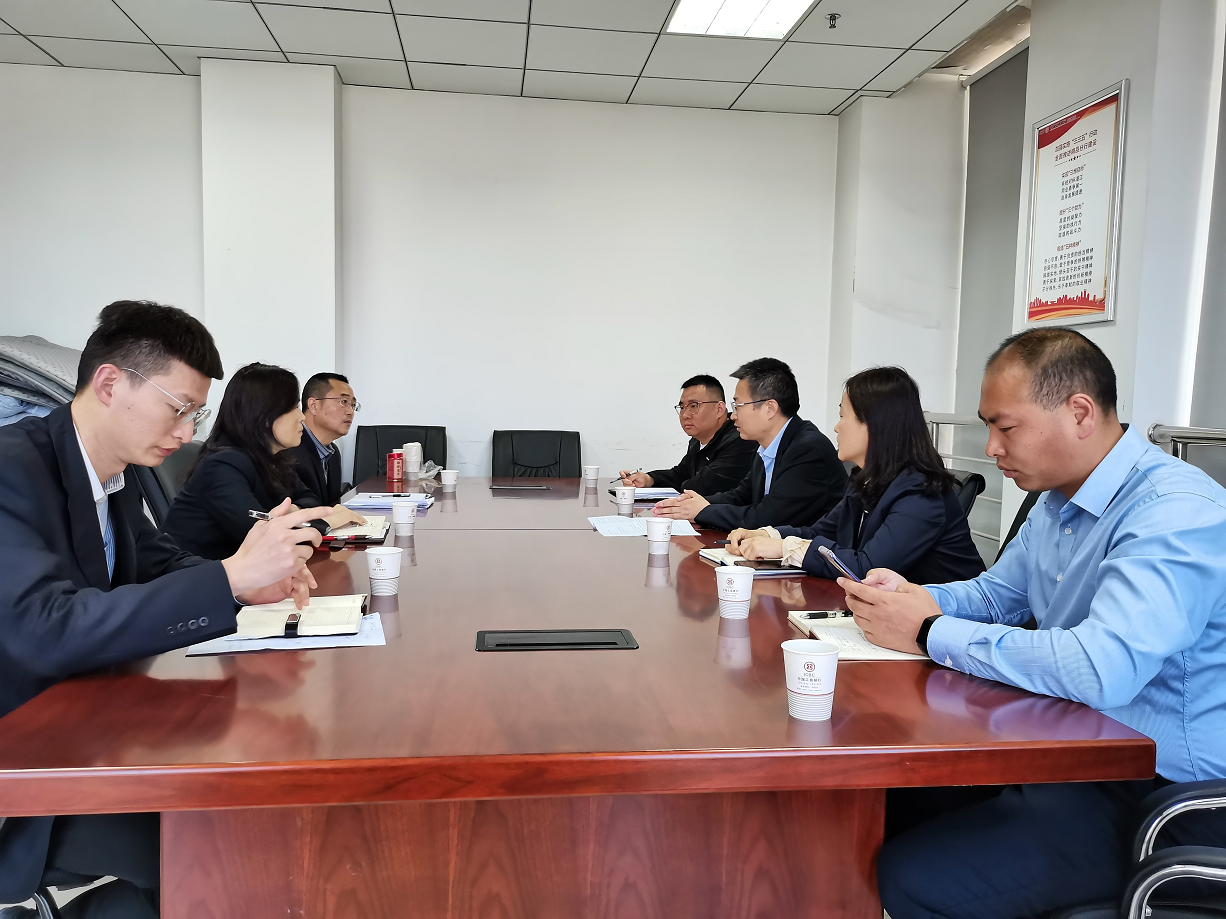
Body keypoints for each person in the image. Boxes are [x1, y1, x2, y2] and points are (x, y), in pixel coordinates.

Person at [835, 329, 1226, 918]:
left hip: (1168, 799)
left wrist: (927, 630)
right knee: (890, 804)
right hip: (1073, 748)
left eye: (1006, 427)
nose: (992, 447)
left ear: (1079, 413)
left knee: (909, 878)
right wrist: (912, 599)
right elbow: (996, 596)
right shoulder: (1056, 500)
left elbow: (1100, 668)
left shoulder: (1172, 512)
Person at [0, 300, 329, 919]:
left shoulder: (112, 476)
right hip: (32, 768)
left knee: (247, 821)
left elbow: (159, 561)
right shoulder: (11, 469)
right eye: (178, 408)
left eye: (195, 413)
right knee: (222, 850)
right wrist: (230, 577)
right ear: (109, 384)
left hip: (99, 726)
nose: (186, 432)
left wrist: (245, 588)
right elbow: (45, 628)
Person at [726, 367, 985, 584]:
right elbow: (820, 531)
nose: (836, 427)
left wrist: (787, 549)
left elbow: (867, 568)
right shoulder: (865, 478)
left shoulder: (921, 491)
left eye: (843, 416)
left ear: (875, 424)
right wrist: (768, 535)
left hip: (943, 620)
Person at [164, 363, 365, 560]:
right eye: (293, 407)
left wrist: (290, 512)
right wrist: (326, 521)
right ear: (265, 415)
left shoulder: (274, 457)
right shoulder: (222, 465)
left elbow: (309, 498)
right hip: (197, 576)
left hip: (250, 572)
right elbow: (264, 536)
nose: (302, 417)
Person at [653, 358, 847, 529]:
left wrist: (703, 511)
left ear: (769, 408)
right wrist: (691, 504)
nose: (733, 416)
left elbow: (767, 518)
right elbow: (741, 496)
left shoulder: (807, 449)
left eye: (738, 406)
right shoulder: (767, 446)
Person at [617, 375, 756, 496]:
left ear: (719, 409)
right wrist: (649, 479)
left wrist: (679, 486)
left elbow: (703, 486)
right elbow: (681, 474)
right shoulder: (697, 441)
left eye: (694, 406)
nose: (685, 415)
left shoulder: (740, 438)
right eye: (682, 407)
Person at [285, 372, 357, 507]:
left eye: (353, 405)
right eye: (344, 402)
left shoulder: (333, 452)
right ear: (314, 405)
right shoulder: (290, 450)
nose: (350, 412)